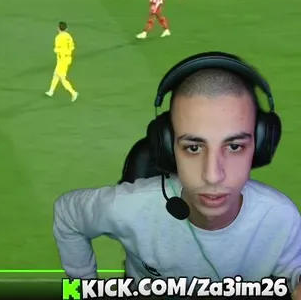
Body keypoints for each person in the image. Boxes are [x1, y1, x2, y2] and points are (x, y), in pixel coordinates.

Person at [53, 53, 301, 289]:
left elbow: (293, 271)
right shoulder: (128, 207)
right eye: (194, 147)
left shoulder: (282, 219)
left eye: (234, 146)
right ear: (167, 147)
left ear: (260, 145)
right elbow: (67, 215)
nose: (213, 176)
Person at [46, 21, 78, 102]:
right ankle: (51, 91)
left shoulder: (58, 38)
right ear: (66, 29)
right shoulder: (69, 36)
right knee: (56, 75)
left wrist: (56, 50)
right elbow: (72, 47)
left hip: (62, 60)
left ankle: (73, 93)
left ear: (58, 28)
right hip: (68, 58)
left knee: (62, 78)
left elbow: (57, 49)